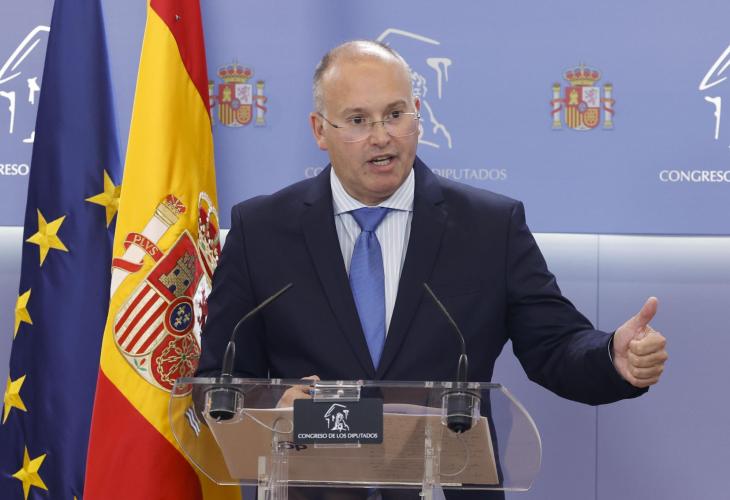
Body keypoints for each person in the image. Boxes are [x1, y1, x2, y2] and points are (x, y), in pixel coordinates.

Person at [197, 40, 668, 499]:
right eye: (358, 120)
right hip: (312, 485)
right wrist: (272, 406)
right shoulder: (261, 230)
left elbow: (554, 344)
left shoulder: (489, 227)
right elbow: (218, 379)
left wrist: (611, 356)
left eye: (395, 114)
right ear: (320, 130)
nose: (381, 136)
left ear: (418, 115)